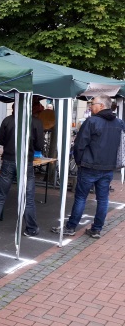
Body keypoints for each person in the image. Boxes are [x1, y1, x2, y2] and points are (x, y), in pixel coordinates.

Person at [50, 95, 125, 238]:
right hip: (107, 167)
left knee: (81, 198)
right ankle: (96, 229)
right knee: (103, 199)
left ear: (102, 105)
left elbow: (79, 145)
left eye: (93, 103)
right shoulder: (119, 123)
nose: (90, 106)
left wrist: (79, 162)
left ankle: (71, 227)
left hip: (89, 166)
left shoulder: (91, 121)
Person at [0, 101, 44, 235]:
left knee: (1, 195)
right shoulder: (36, 122)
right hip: (26, 161)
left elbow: (0, 140)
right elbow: (39, 145)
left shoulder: (7, 121)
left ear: (14, 107)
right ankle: (31, 228)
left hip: (9, 159)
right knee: (28, 198)